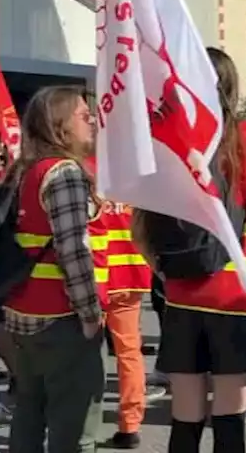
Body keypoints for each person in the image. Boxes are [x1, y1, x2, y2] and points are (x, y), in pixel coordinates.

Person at [150, 48, 246, 453]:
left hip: (182, 287)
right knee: (231, 415)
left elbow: (142, 225)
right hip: (238, 289)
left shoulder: (166, 138)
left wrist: (164, 270)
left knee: (185, 415)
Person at [3, 86, 108, 453]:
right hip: (61, 316)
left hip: (25, 313)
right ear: (60, 126)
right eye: (83, 114)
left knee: (30, 411)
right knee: (75, 425)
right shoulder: (64, 173)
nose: (92, 119)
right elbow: (73, 248)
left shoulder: (25, 169)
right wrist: (90, 312)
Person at [95, 191, 153, 450]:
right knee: (129, 352)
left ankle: (84, 422)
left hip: (95, 277)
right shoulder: (134, 181)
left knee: (86, 354)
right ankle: (130, 425)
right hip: (130, 274)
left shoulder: (82, 175)